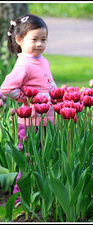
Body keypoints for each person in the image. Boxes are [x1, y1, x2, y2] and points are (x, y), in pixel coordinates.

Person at [0, 14, 57, 206]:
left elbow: (49, 84)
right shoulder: (23, 64)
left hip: (48, 120)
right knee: (28, 159)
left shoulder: (42, 60)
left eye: (43, 39)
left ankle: (40, 195)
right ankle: (20, 195)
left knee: (44, 159)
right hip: (31, 122)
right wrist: (26, 98)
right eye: (34, 39)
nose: (39, 44)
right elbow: (7, 88)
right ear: (19, 40)